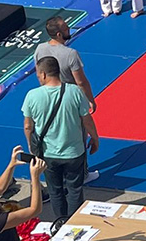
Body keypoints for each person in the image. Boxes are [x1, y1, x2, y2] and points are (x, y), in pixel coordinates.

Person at [22, 57, 99, 219]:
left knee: (55, 190)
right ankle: (73, 222)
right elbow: (87, 119)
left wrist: (31, 145)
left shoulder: (32, 95)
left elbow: (28, 126)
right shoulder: (74, 91)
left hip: (48, 153)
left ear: (43, 74)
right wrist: (95, 138)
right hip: (74, 152)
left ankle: (59, 222)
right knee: (75, 190)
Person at [34, 15, 99, 184]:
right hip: (70, 98)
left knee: (53, 134)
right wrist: (90, 99)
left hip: (48, 97)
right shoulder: (70, 54)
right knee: (78, 135)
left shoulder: (40, 49)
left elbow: (39, 73)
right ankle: (81, 174)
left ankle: (58, 173)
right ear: (58, 34)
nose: (69, 29)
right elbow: (81, 81)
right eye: (65, 28)